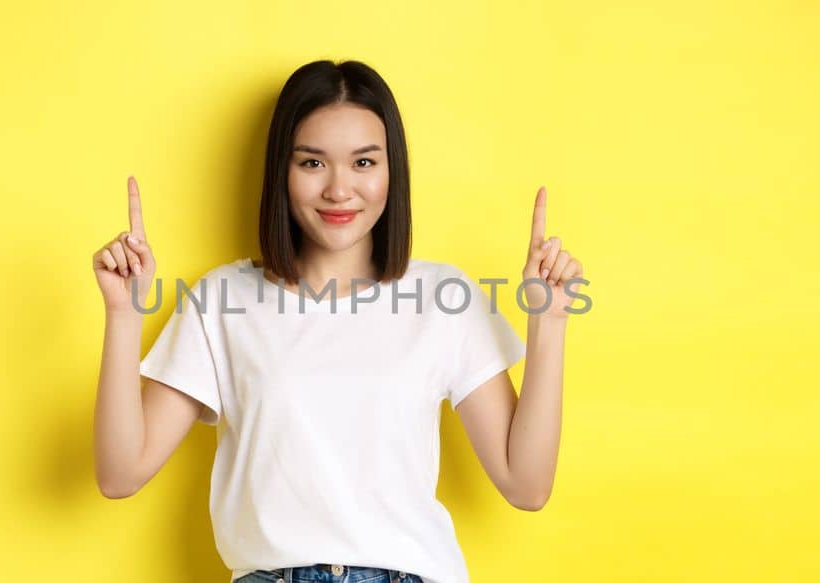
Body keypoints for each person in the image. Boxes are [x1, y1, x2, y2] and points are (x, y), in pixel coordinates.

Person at [92, 60, 585, 583]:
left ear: (391, 171)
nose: (339, 190)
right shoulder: (223, 299)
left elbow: (526, 486)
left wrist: (549, 321)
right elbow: (121, 474)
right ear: (282, 171)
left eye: (364, 163)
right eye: (312, 164)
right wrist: (123, 315)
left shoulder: (445, 298)